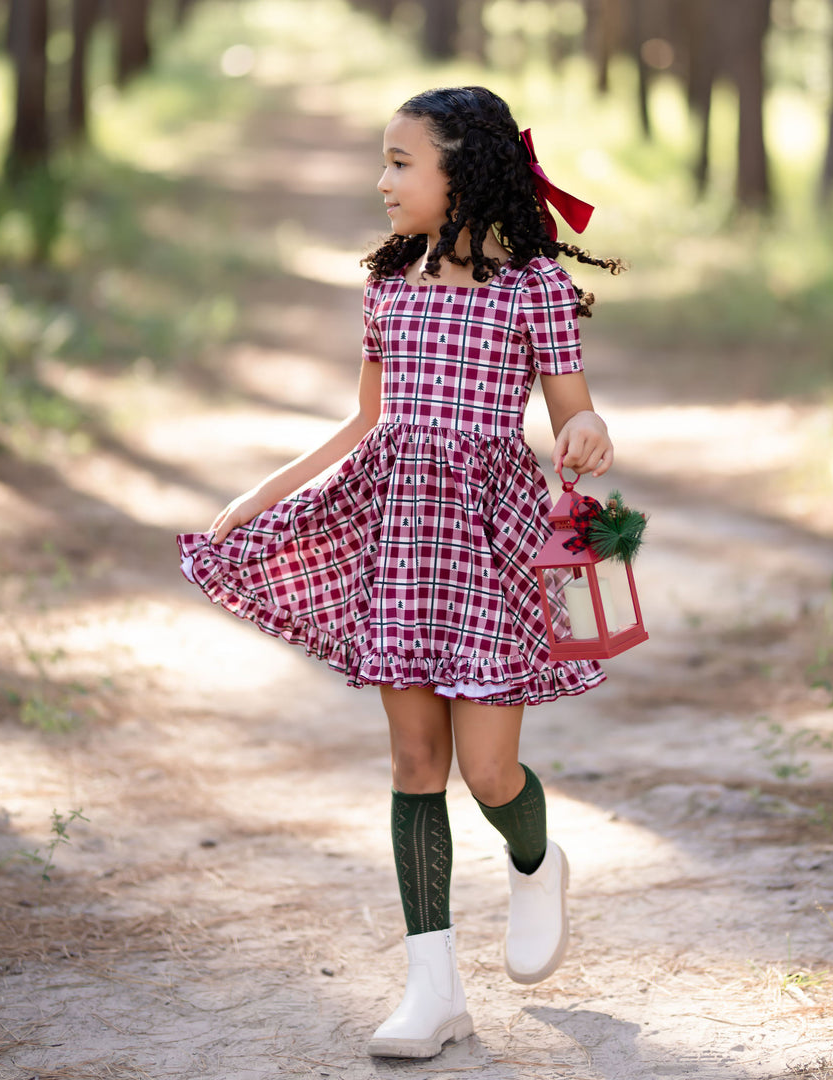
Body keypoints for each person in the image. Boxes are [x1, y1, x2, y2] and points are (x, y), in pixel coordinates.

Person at [177, 85, 623, 1060]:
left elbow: (572, 412)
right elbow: (362, 423)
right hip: (400, 544)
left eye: (399, 161)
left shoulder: (532, 288)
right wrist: (252, 502)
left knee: (488, 769)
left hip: (489, 547)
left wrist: (587, 430)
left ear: (461, 171)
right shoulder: (386, 286)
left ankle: (537, 860)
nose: (382, 182)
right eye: (383, 162)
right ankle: (434, 992)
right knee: (416, 766)